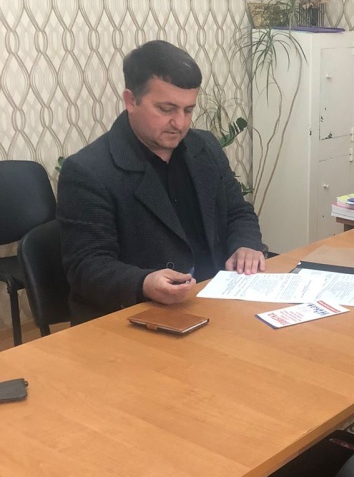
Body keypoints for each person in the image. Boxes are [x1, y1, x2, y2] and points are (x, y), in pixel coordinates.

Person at [58, 40, 267, 323]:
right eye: (167, 109)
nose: (180, 123)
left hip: (215, 300)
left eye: (188, 110)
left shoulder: (205, 147)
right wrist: (144, 282)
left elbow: (237, 211)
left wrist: (246, 244)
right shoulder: (89, 171)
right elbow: (86, 266)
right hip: (137, 316)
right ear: (131, 101)